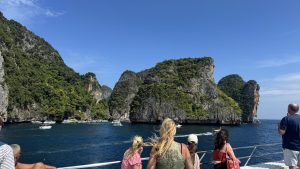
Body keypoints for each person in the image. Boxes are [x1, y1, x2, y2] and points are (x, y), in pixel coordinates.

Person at [278, 103, 300, 169]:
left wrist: (279, 126)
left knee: (292, 166)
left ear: (289, 109)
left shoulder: (286, 119)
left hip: (291, 147)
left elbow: (281, 132)